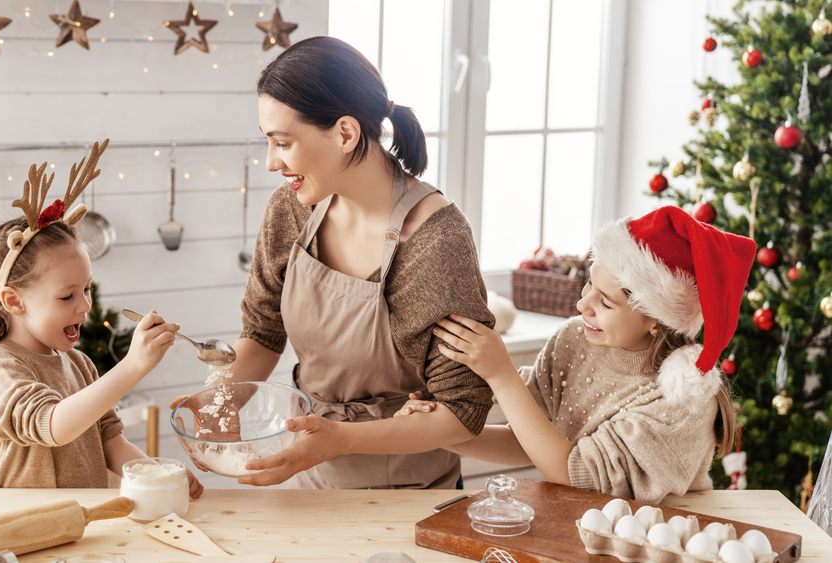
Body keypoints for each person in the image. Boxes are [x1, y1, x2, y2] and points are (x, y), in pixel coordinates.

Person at [172, 36, 496, 490]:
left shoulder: (434, 241)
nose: (270, 162)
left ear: (345, 133)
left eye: (283, 142)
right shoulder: (292, 210)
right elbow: (264, 333)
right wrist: (216, 405)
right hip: (315, 477)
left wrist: (340, 438)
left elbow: (464, 412)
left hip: (412, 495)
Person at [396, 206, 756, 502]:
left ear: (657, 321)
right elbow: (532, 443)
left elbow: (575, 475)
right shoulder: (575, 339)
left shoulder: (679, 402)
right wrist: (445, 431)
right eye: (589, 284)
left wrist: (501, 375)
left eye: (605, 301)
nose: (583, 304)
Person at [0, 145, 204, 495]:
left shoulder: (79, 365)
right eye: (67, 296)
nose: (85, 306)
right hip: (20, 535)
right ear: (13, 300)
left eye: (87, 289)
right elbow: (52, 426)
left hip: (79, 526)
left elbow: (110, 440)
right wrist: (133, 367)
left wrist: (157, 475)